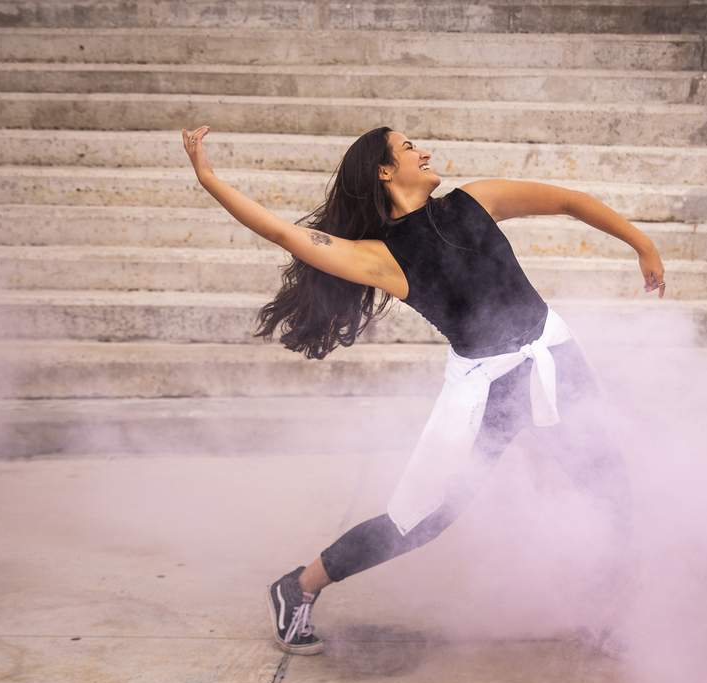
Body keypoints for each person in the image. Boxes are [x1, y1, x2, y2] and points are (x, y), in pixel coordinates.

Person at [182, 124, 665, 655]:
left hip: (554, 356)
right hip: (487, 390)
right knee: (424, 518)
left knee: (609, 489)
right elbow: (282, 234)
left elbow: (569, 201)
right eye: (409, 148)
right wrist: (209, 178)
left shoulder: (475, 202)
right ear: (385, 171)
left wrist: (641, 242)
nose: (425, 150)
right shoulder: (381, 258)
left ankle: (600, 615)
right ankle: (297, 587)